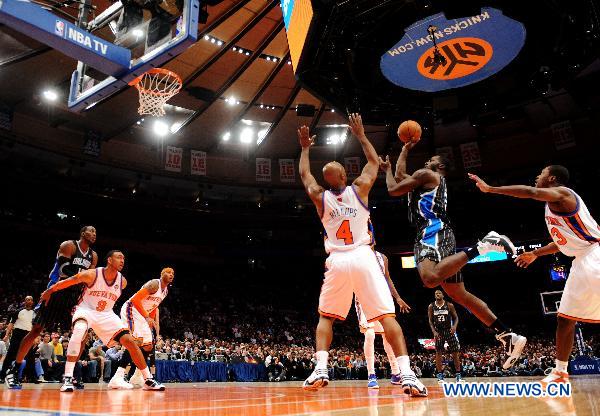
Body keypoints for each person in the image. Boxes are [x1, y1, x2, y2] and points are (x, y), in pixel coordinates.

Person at [298, 114, 427, 396]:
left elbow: (305, 176)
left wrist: (306, 148)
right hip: (364, 256)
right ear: (345, 176)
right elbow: (372, 163)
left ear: (327, 180)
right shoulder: (359, 188)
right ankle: (406, 374)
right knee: (386, 318)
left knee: (326, 318)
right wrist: (360, 134)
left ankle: (321, 367)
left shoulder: (320, 196)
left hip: (337, 260)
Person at [380, 142, 526, 369]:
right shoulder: (425, 180)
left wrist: (388, 171)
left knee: (429, 280)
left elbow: (393, 188)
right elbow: (400, 175)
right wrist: (405, 149)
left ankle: (482, 246)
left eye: (431, 160)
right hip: (440, 232)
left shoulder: (426, 174)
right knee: (458, 293)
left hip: (431, 231)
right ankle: (507, 334)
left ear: (439, 166)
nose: (427, 161)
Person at [469, 165, 600, 386]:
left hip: (595, 255)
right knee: (565, 318)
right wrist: (535, 254)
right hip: (580, 261)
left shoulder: (563, 193)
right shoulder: (553, 206)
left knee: (566, 319)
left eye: (541, 173)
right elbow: (560, 243)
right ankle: (560, 371)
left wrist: (490, 189)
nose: (537, 176)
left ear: (552, 178)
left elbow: (530, 192)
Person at [37, 250, 165, 392]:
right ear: (109, 260)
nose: (122, 260)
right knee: (79, 332)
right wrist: (50, 290)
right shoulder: (92, 274)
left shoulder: (122, 282)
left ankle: (148, 379)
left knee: (130, 341)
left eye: (123, 258)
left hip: (106, 314)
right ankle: (67, 378)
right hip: (86, 309)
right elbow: (69, 281)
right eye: (119, 257)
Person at [4, 227, 98, 389]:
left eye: (96, 232)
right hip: (56, 292)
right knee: (36, 330)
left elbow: (89, 280)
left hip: (74, 298)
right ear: (82, 233)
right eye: (91, 231)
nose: (94, 234)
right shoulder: (69, 246)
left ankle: (70, 374)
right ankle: (14, 369)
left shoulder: (93, 256)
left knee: (81, 335)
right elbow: (63, 271)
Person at [355, 251, 411, 389]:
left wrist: (397, 298)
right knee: (369, 334)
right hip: (364, 297)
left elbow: (387, 278)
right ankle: (371, 374)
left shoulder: (383, 257)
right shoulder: (356, 255)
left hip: (381, 297)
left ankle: (396, 372)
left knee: (387, 336)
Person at [109, 267, 173, 389]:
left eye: (173, 273)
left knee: (148, 345)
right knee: (135, 342)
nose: (171, 275)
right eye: (168, 272)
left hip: (142, 314)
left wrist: (151, 320)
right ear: (162, 274)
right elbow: (135, 299)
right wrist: (146, 317)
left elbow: (154, 306)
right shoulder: (155, 284)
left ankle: (138, 375)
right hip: (131, 309)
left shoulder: (165, 291)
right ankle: (118, 376)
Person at [428, 289, 462, 382]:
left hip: (449, 331)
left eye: (439, 293)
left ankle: (458, 375)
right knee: (438, 353)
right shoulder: (431, 306)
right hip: (439, 332)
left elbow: (456, 318)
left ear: (443, 295)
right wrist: (434, 331)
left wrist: (454, 326)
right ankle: (440, 375)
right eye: (435, 293)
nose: (437, 294)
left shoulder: (449, 305)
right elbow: (430, 321)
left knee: (455, 353)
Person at [0, 296, 35, 383]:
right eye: (27, 299)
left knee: (29, 356)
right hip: (17, 334)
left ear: (33, 302)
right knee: (10, 355)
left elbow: (35, 326)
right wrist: (7, 335)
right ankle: (2, 376)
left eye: (31, 300)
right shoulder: (18, 311)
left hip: (28, 335)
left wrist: (34, 337)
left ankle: (27, 377)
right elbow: (11, 324)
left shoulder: (35, 313)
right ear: (24, 301)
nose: (29, 301)